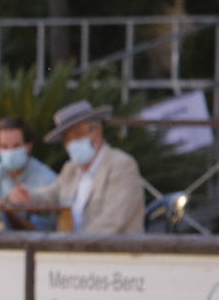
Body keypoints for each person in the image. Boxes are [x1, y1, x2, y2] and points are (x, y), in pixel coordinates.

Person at [7, 100, 145, 234]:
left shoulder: (121, 165)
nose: (72, 142)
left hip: (116, 253)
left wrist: (73, 247)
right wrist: (28, 197)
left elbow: (113, 221)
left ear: (97, 132)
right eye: (67, 138)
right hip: (73, 251)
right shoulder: (71, 169)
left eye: (78, 134)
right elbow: (50, 196)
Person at [0, 117, 59, 231]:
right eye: (4, 147)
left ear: (28, 146)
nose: (10, 152)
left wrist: (4, 206)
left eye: (16, 146)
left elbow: (40, 231)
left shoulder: (47, 180)